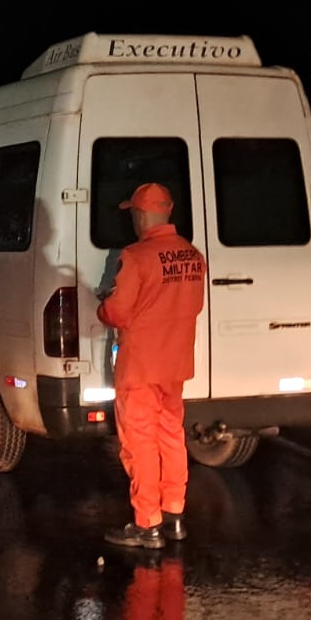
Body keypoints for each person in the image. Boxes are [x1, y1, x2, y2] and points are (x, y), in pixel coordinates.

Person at [96, 182, 207, 550]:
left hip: (140, 367)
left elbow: (117, 312)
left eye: (133, 213)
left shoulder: (136, 257)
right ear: (167, 211)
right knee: (171, 436)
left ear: (141, 215)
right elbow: (194, 306)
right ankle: (174, 515)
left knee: (140, 442)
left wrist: (103, 307)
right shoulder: (193, 255)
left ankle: (147, 525)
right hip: (175, 366)